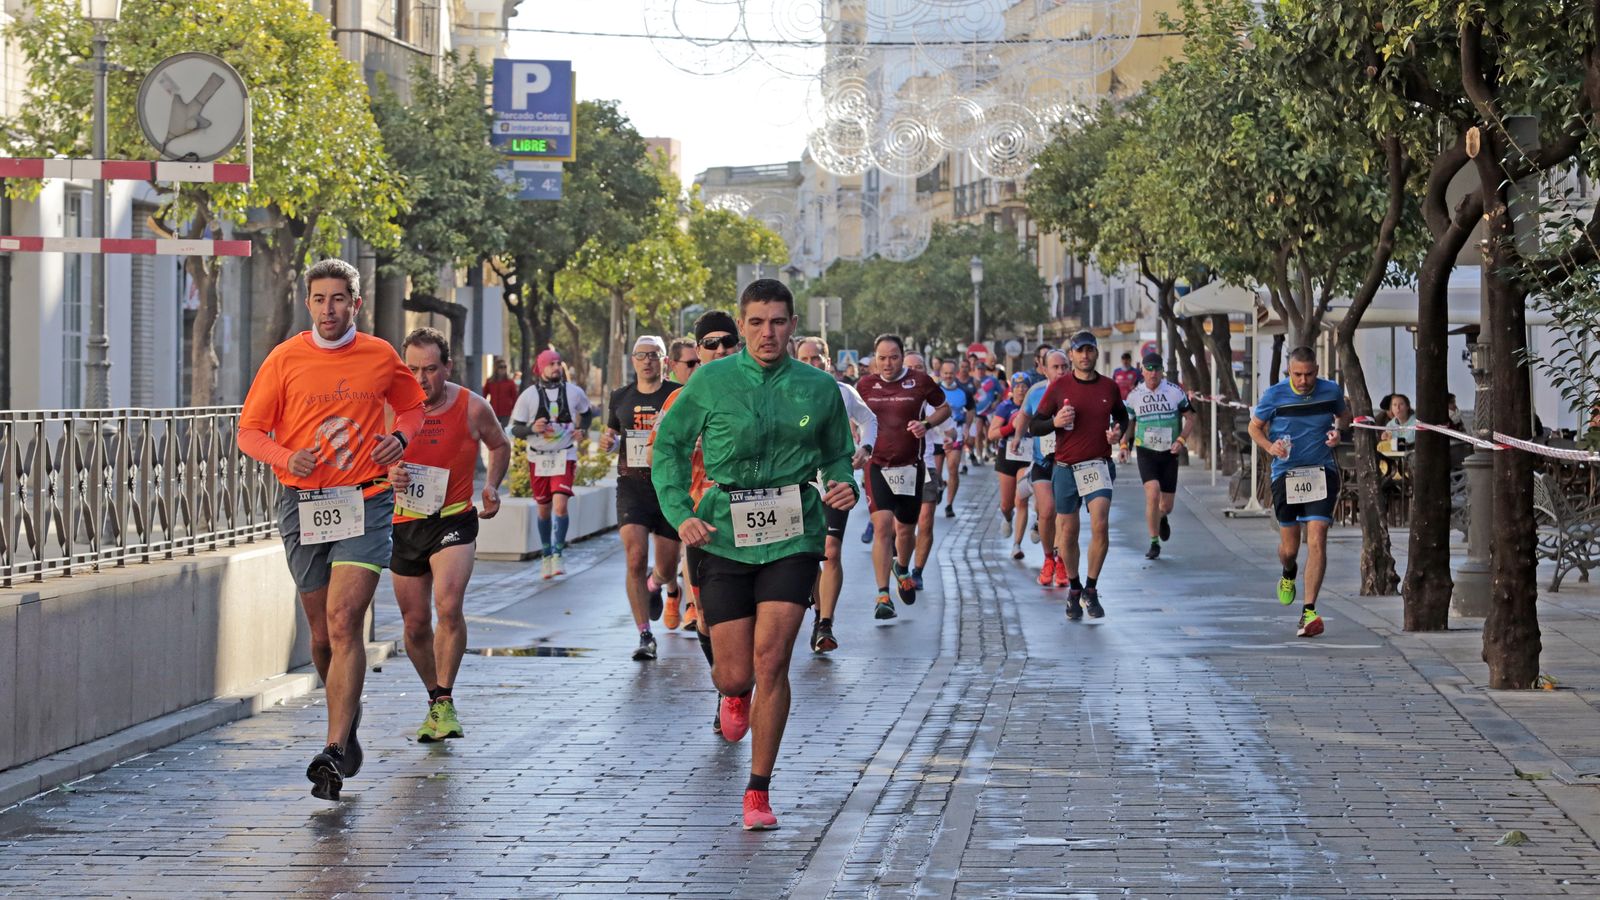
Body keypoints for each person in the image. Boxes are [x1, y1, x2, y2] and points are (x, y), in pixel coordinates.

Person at [652, 279, 859, 831]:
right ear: (742, 326)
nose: (768, 333)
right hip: (722, 534)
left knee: (774, 659)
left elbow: (838, 453)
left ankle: (758, 790)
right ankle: (732, 694)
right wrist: (681, 512)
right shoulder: (711, 382)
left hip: (793, 531)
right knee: (735, 672)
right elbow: (668, 447)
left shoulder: (818, 388)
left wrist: (843, 484)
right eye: (757, 322)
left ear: (794, 325)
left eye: (779, 321)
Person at [236, 258, 425, 801]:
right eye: (319, 299)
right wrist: (285, 456)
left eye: (338, 299)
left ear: (355, 304)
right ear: (308, 303)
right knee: (321, 636)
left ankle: (334, 749)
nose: (328, 309)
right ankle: (348, 711)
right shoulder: (285, 357)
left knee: (345, 621)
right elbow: (249, 431)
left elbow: (411, 408)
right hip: (302, 505)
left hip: (365, 500)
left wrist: (401, 441)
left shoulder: (380, 355)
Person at [386, 327, 510, 743]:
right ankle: (436, 700)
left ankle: (445, 696)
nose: (421, 379)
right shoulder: (391, 410)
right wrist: (389, 473)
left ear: (448, 367)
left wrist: (492, 485)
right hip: (405, 522)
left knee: (448, 604)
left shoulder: (472, 406)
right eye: (413, 369)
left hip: (453, 518)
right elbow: (368, 459)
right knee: (415, 624)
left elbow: (500, 445)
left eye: (431, 369)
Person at [652, 310, 744, 726]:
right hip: (703, 524)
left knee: (756, 615)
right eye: (711, 344)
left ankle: (741, 686)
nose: (721, 350)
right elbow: (662, 455)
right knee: (705, 613)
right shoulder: (677, 400)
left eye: (728, 342)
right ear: (698, 350)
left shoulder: (757, 389)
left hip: (755, 516)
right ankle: (727, 689)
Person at [1248, 345, 1347, 639]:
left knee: (1317, 539)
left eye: (1309, 374)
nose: (1304, 381)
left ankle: (1309, 611)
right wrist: (1270, 447)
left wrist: (1338, 431)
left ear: (1317, 370)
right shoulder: (1274, 395)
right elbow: (1255, 428)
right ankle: (1288, 572)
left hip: (1320, 472)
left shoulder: (1330, 391)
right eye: (1298, 375)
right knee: (1290, 549)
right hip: (1286, 475)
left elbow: (1344, 413)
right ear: (1288, 372)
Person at [1031, 331, 1128, 621]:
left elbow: (1122, 416)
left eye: (1090, 350)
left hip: (1098, 465)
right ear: (1071, 355)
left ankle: (1092, 587)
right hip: (1065, 469)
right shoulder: (1060, 387)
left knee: (1100, 524)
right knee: (1068, 533)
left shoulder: (1109, 387)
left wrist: (1118, 433)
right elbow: (1035, 425)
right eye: (1079, 351)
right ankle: (1074, 588)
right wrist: (1055, 421)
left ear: (1096, 354)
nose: (1085, 355)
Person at [857, 336, 951, 619]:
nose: (888, 363)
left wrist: (925, 424)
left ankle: (902, 567)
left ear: (902, 357)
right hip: (877, 466)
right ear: (875, 358)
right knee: (884, 527)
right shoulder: (865, 386)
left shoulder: (920, 381)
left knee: (906, 530)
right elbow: (851, 415)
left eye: (894, 357)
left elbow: (944, 408)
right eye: (882, 358)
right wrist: (857, 441)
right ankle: (883, 594)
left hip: (911, 467)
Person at [603, 335, 684, 661]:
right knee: (635, 557)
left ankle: (657, 583)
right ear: (632, 360)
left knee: (665, 567)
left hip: (667, 488)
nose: (647, 361)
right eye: (641, 355)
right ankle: (644, 635)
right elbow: (611, 435)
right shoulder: (620, 396)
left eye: (654, 355)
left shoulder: (676, 395)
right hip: (632, 487)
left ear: (664, 360)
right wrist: (608, 442)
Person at [796, 336, 876, 653]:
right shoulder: (784, 391)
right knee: (806, 552)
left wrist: (865, 448)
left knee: (830, 549)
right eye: (804, 359)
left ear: (828, 362)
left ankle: (825, 622)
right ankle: (817, 607)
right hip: (799, 483)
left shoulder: (843, 392)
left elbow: (869, 419)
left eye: (817, 359)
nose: (811, 364)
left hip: (833, 480)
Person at [510, 349, 595, 579]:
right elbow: (514, 429)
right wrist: (531, 429)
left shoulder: (574, 392)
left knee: (560, 505)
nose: (556, 367)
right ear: (541, 368)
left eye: (558, 363)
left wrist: (582, 430)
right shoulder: (528, 396)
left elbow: (588, 413)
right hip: (538, 458)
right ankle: (546, 554)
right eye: (551, 364)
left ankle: (558, 553)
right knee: (544, 510)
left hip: (564, 455)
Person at [1118, 353, 1197, 560]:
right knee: (1152, 493)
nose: (1153, 373)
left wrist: (1181, 440)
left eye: (1157, 369)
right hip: (1146, 451)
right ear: (1142, 370)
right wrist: (1124, 444)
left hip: (1169, 453)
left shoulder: (1174, 392)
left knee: (1166, 506)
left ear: (1162, 371)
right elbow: (1129, 422)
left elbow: (1191, 417)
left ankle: (1161, 518)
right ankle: (1154, 542)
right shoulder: (1134, 395)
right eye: (1149, 369)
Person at [1020, 350, 1069, 583]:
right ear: (1045, 369)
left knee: (1064, 515)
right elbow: (1025, 416)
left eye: (1064, 366)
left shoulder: (1077, 390)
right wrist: (1017, 439)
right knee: (1047, 510)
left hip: (1068, 462)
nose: (1060, 371)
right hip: (1042, 461)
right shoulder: (1036, 392)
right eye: (1055, 367)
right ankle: (1048, 558)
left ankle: (1061, 562)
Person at [907, 353, 953, 590]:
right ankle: (901, 565)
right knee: (901, 526)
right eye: (910, 367)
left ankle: (917, 571)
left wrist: (948, 439)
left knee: (925, 521)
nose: (914, 371)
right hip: (897, 469)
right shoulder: (892, 398)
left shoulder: (932, 400)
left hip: (926, 467)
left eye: (919, 367)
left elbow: (951, 429)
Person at [991, 372, 1035, 560]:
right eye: (1017, 386)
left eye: (1024, 386)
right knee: (1007, 504)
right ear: (1012, 389)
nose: (1020, 389)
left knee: (1021, 500)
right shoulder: (1005, 407)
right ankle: (1008, 517)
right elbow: (991, 434)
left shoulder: (1036, 407)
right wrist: (1011, 427)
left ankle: (1016, 545)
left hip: (1028, 457)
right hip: (1007, 457)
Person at [938, 360, 971, 518]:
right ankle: (939, 485)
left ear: (955, 373)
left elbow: (971, 410)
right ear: (941, 373)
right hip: (936, 433)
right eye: (945, 373)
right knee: (935, 473)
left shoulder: (963, 391)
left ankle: (949, 505)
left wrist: (967, 428)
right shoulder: (934, 390)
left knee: (952, 468)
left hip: (956, 431)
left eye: (951, 373)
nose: (948, 376)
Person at [482, 358, 519, 428]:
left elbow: (514, 398)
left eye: (505, 367)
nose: (503, 369)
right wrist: (484, 408)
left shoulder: (510, 382)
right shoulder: (490, 381)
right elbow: (484, 396)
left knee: (504, 431)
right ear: (496, 368)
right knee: (494, 431)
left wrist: (515, 411)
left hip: (506, 412)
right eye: (501, 367)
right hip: (493, 411)